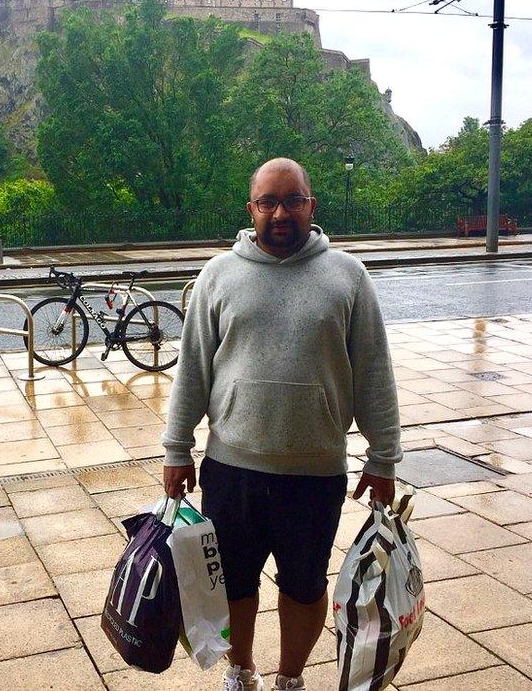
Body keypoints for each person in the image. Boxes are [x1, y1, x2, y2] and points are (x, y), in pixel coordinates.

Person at [162, 158, 402, 691]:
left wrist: (383, 457)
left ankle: (289, 678)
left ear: (311, 206)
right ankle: (241, 672)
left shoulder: (347, 276)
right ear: (251, 209)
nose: (280, 212)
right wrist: (176, 447)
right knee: (233, 585)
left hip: (314, 473)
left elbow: (373, 372)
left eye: (292, 200)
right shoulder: (219, 274)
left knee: (304, 586)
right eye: (268, 201)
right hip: (232, 468)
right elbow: (193, 370)